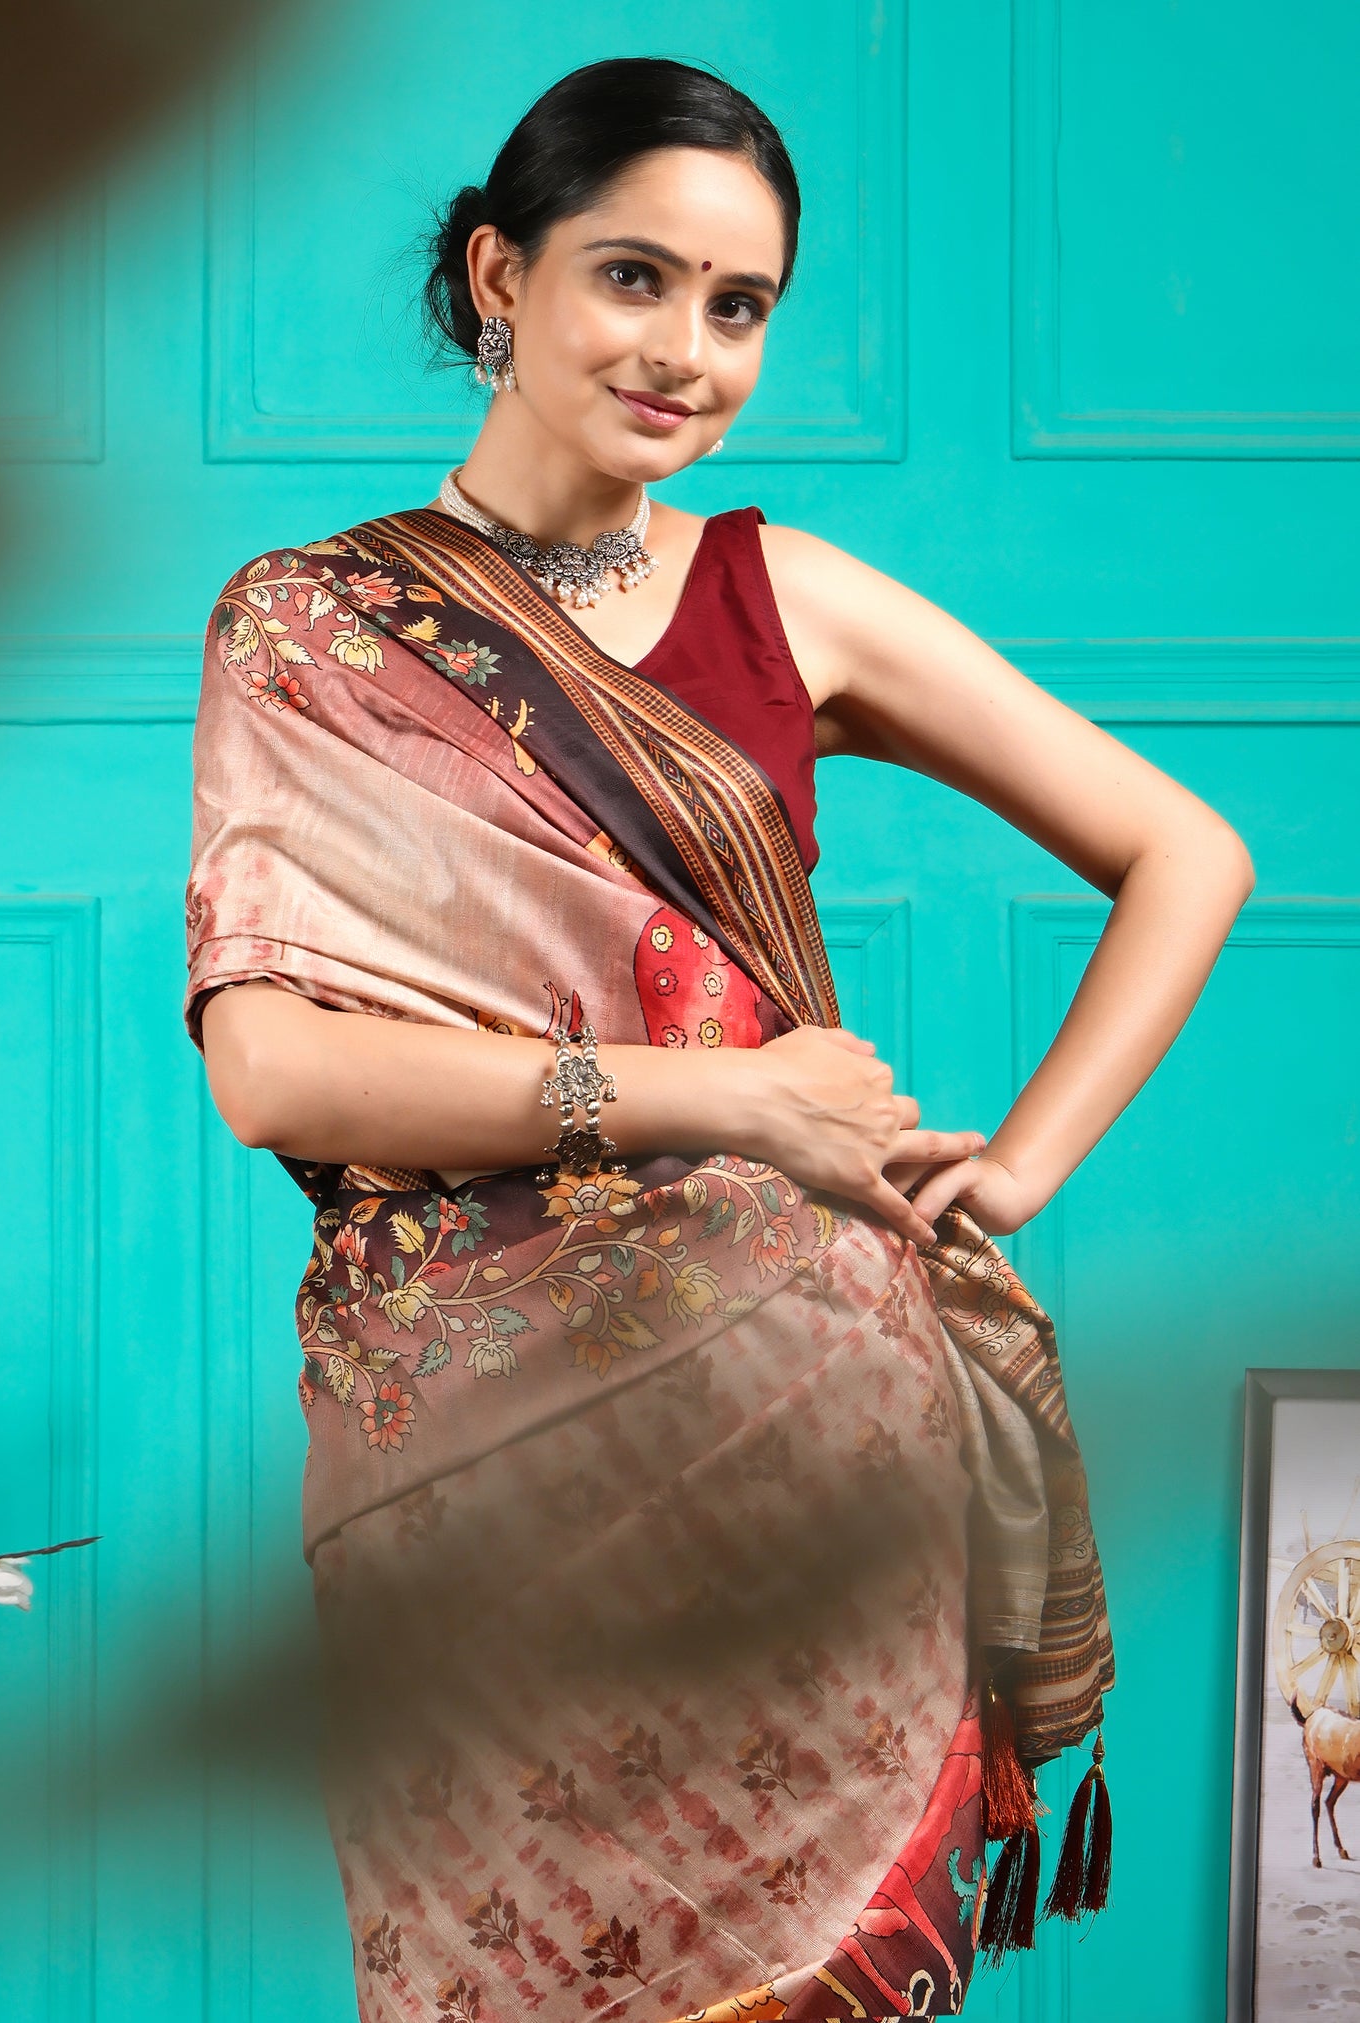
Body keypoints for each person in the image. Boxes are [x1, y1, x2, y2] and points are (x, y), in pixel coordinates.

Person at [183, 56, 1253, 2022]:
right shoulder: (311, 628)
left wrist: (1013, 1171)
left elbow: (1187, 850)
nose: (688, 349)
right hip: (476, 1473)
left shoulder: (789, 596)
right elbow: (273, 1067)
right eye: (633, 278)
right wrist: (728, 1095)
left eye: (738, 304)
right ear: (500, 278)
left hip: (814, 1458)